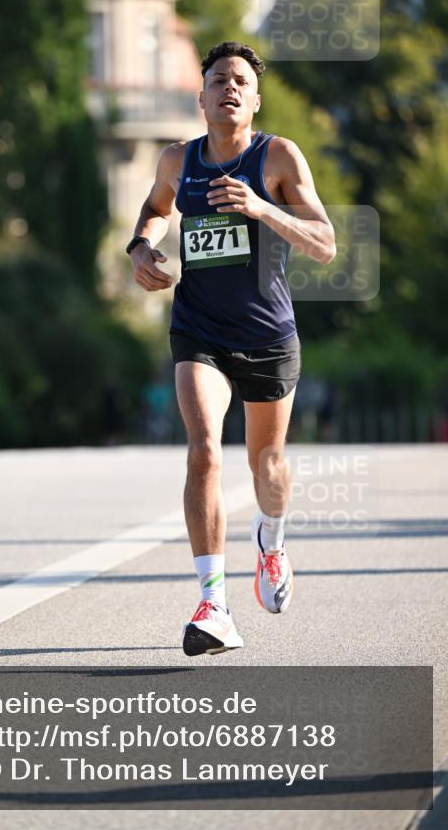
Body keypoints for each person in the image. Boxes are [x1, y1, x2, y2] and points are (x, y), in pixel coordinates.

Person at [126, 41, 336, 656]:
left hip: (269, 336)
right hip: (200, 331)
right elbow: (152, 211)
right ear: (202, 97)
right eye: (218, 80)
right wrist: (140, 249)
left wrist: (261, 206)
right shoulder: (177, 160)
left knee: (267, 465)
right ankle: (213, 604)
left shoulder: (277, 156)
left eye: (241, 81)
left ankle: (270, 539)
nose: (230, 89)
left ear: (255, 98)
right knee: (204, 453)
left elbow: (324, 242)